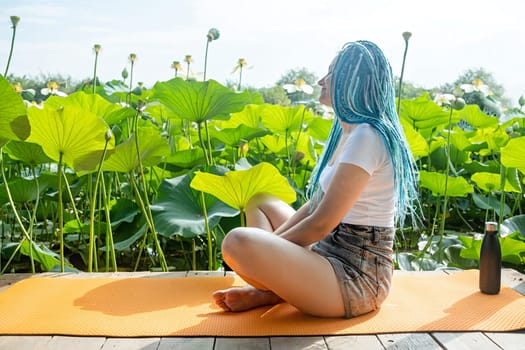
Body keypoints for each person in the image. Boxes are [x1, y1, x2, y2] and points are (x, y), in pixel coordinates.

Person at [213, 40, 420, 318]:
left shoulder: (367, 136)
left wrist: (267, 253)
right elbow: (314, 206)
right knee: (259, 202)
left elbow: (321, 223)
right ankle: (275, 289)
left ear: (353, 81)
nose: (321, 80)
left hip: (355, 279)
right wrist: (270, 252)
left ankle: (271, 291)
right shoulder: (348, 132)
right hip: (326, 254)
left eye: (331, 74)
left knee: (238, 242)